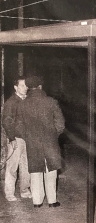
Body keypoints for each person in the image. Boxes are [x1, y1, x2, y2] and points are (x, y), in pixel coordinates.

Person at [15, 75, 65, 207]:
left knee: (36, 171)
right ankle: (52, 201)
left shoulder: (23, 104)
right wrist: (53, 134)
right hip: (50, 140)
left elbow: (18, 126)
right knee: (51, 170)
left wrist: (27, 136)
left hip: (32, 141)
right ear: (40, 86)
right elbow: (60, 123)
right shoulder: (51, 101)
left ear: (29, 87)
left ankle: (37, 201)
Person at [1, 77, 31, 201]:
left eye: (26, 86)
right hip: (16, 138)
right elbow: (6, 122)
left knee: (26, 166)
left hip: (28, 138)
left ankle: (24, 190)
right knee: (12, 166)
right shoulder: (11, 102)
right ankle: (9, 193)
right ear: (16, 87)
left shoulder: (29, 101)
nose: (25, 88)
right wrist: (11, 138)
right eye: (22, 85)